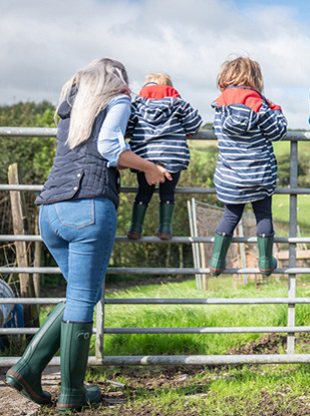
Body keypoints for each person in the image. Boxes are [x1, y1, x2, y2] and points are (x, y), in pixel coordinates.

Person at [4, 58, 170, 412]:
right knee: (82, 296)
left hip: (50, 210)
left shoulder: (72, 106)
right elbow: (110, 147)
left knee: (81, 292)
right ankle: (71, 393)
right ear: (117, 81)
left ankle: (28, 370)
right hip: (89, 206)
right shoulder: (118, 98)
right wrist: (149, 167)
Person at [208, 57, 287, 277]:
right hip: (260, 175)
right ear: (255, 79)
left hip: (231, 177)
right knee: (263, 216)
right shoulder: (258, 105)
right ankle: (265, 262)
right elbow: (277, 132)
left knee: (230, 216)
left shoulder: (219, 106)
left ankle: (216, 260)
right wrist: (276, 109)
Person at [126, 73, 202, 240]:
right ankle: (165, 229)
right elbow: (194, 124)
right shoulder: (178, 104)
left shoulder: (137, 105)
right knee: (168, 193)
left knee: (143, 192)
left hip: (144, 158)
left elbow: (128, 127)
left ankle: (135, 228)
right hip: (172, 156)